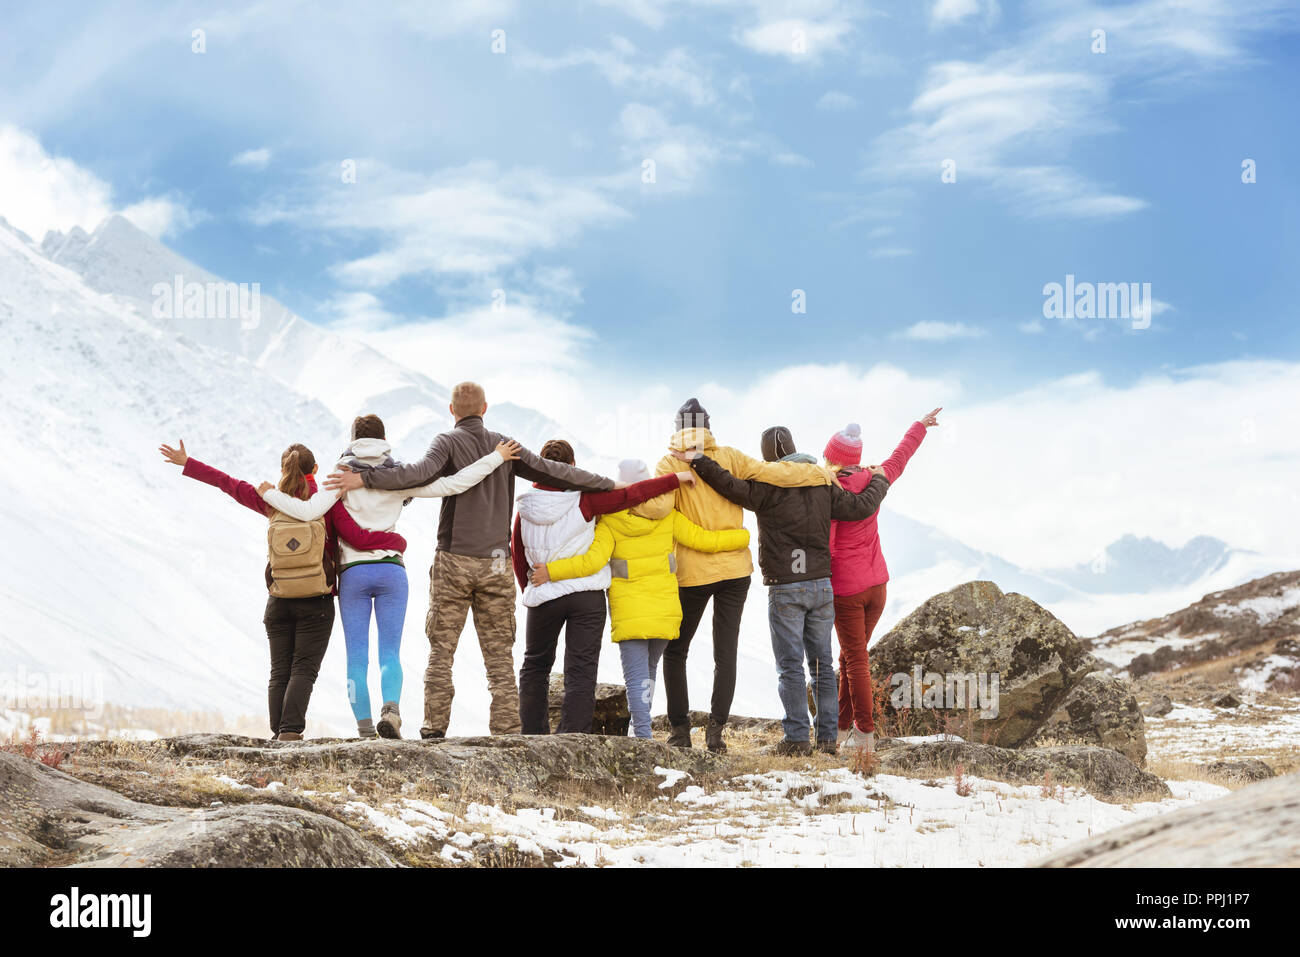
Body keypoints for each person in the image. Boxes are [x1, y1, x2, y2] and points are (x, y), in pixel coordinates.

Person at [324, 382, 614, 738]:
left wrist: (364, 478)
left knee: (441, 651)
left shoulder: (446, 442)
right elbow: (555, 472)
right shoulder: (505, 445)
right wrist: (606, 484)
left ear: (451, 410)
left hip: (453, 560)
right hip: (495, 562)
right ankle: (507, 730)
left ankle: (434, 727)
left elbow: (414, 475)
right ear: (485, 408)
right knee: (499, 656)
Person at [261, 413, 521, 739]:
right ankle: (391, 710)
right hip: (391, 572)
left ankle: (365, 730)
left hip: (353, 574)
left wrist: (269, 494)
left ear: (352, 439)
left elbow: (307, 511)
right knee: (389, 652)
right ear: (384, 440)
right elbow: (454, 483)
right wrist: (496, 457)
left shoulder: (340, 478)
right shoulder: (398, 477)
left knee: (357, 656)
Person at [159, 438, 406, 741]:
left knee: (279, 671)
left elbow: (228, 484)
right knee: (303, 669)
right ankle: (290, 731)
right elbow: (358, 538)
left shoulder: (270, 500)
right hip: (316, 600)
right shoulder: (326, 503)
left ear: (283, 470)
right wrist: (397, 543)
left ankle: (279, 733)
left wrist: (188, 463)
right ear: (315, 469)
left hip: (278, 600)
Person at [674, 428, 890, 756]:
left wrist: (699, 459)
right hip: (820, 583)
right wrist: (880, 479)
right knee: (822, 663)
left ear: (767, 458)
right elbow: (860, 507)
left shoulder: (766, 485)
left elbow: (728, 485)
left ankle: (796, 740)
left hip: (786, 586)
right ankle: (828, 740)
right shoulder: (821, 481)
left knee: (790, 665)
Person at [651, 398, 834, 753]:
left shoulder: (667, 463)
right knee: (726, 653)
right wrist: (817, 472)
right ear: (708, 426)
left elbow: (659, 508)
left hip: (693, 572)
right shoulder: (731, 456)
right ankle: (716, 734)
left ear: (677, 428)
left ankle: (680, 732)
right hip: (736, 571)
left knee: (676, 651)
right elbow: (776, 472)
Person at [531, 460, 750, 739]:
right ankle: (640, 731)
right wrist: (740, 538)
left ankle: (643, 739)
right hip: (664, 610)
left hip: (631, 611)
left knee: (637, 678)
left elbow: (592, 561)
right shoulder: (669, 516)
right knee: (647, 672)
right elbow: (703, 540)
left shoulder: (610, 521)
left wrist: (551, 571)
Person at [512, 442, 692, 735]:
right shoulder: (586, 499)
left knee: (535, 666)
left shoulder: (526, 506)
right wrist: (674, 479)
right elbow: (632, 494)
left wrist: (528, 590)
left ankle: (533, 736)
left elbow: (518, 553)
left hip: (543, 593)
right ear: (572, 467)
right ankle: (573, 737)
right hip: (585, 597)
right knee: (581, 671)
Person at [826, 410, 940, 754]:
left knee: (856, 659)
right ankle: (842, 727)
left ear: (832, 459)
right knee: (849, 658)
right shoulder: (876, 477)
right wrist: (919, 426)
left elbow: (829, 546)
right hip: (878, 585)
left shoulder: (831, 493)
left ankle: (864, 734)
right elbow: (900, 457)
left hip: (847, 590)